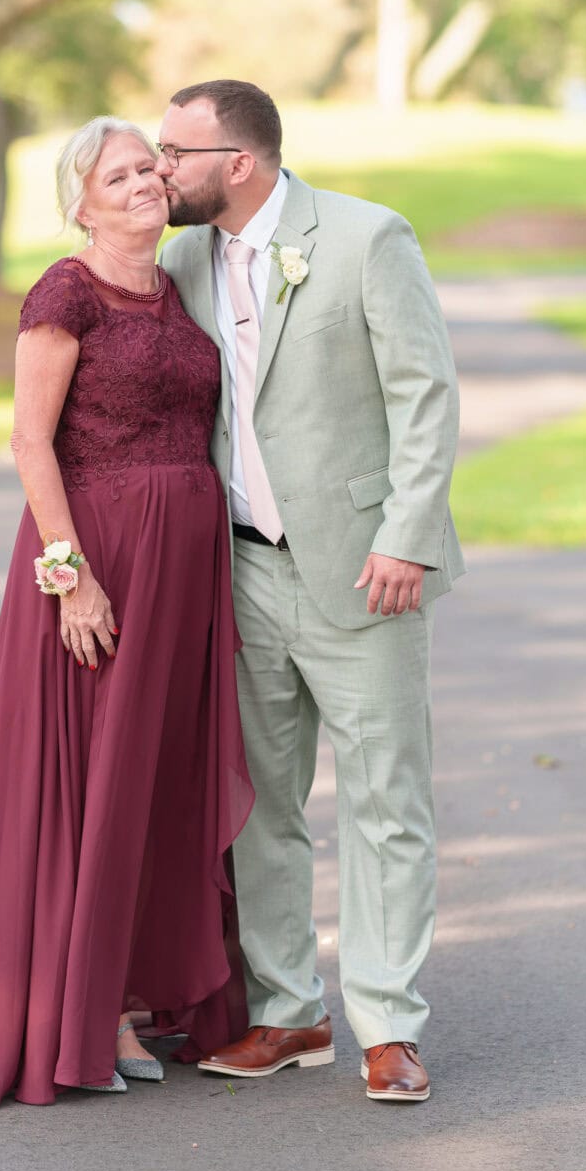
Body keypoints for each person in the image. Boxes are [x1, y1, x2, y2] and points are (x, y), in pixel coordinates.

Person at [0, 117, 253, 1107]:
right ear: (78, 203)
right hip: (99, 564)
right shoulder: (64, 292)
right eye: (117, 175)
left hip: (186, 572)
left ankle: (141, 988)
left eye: (148, 169)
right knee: (96, 779)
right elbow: (29, 443)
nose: (141, 183)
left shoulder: (174, 286)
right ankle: (89, 1011)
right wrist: (69, 573)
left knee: (156, 778)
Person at [157, 81, 464, 1103]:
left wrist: (407, 538)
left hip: (365, 568)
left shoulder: (368, 237)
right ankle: (288, 1013)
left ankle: (388, 1022)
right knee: (259, 807)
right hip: (237, 571)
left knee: (385, 800)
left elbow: (424, 392)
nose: (162, 168)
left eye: (176, 151)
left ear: (237, 163)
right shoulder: (182, 259)